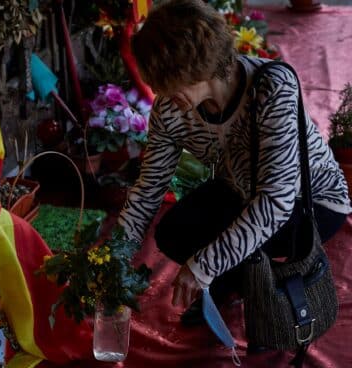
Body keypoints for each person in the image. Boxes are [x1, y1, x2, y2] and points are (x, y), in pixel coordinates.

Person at [118, 0, 351, 331]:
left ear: (197, 66)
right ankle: (235, 281)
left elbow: (275, 202)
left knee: (236, 246)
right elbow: (148, 189)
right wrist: (115, 256)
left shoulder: (273, 88)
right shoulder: (171, 109)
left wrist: (205, 265)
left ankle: (261, 289)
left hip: (309, 202)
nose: (160, 93)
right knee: (173, 233)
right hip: (240, 189)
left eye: (167, 81)